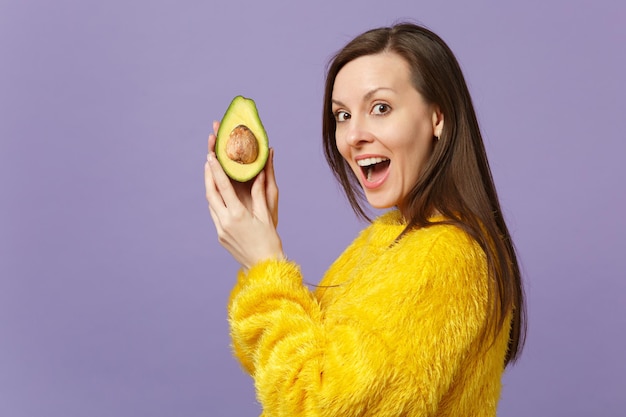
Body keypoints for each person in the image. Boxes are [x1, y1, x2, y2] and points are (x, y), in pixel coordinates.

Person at [204, 22, 526, 417]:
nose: (353, 135)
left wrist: (265, 265)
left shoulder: (446, 256)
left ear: (437, 117)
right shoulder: (391, 238)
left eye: (380, 108)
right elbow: (279, 367)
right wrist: (259, 246)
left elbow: (318, 404)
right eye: (341, 115)